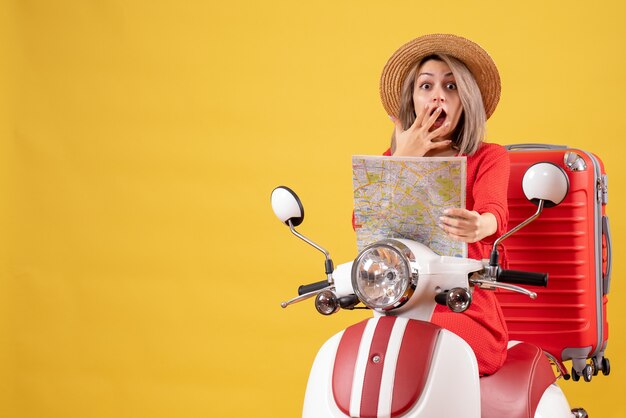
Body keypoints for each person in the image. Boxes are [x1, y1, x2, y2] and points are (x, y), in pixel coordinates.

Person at [378, 34, 510, 376]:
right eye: (426, 86)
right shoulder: (390, 161)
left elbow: (494, 211)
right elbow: (364, 225)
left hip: (465, 307)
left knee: (432, 351)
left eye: (451, 87)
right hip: (401, 303)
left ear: (465, 101)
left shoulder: (487, 157)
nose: (438, 95)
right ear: (413, 99)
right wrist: (402, 160)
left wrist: (480, 225)